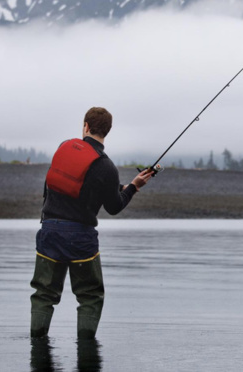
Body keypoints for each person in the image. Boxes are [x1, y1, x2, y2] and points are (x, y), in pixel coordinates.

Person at [30, 107, 154, 339]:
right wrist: (134, 187)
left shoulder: (64, 147)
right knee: (89, 296)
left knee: (44, 294)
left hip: (50, 231)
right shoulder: (107, 167)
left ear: (85, 126)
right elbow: (114, 206)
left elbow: (76, 183)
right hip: (81, 237)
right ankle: (86, 351)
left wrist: (122, 187)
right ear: (107, 131)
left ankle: (37, 347)